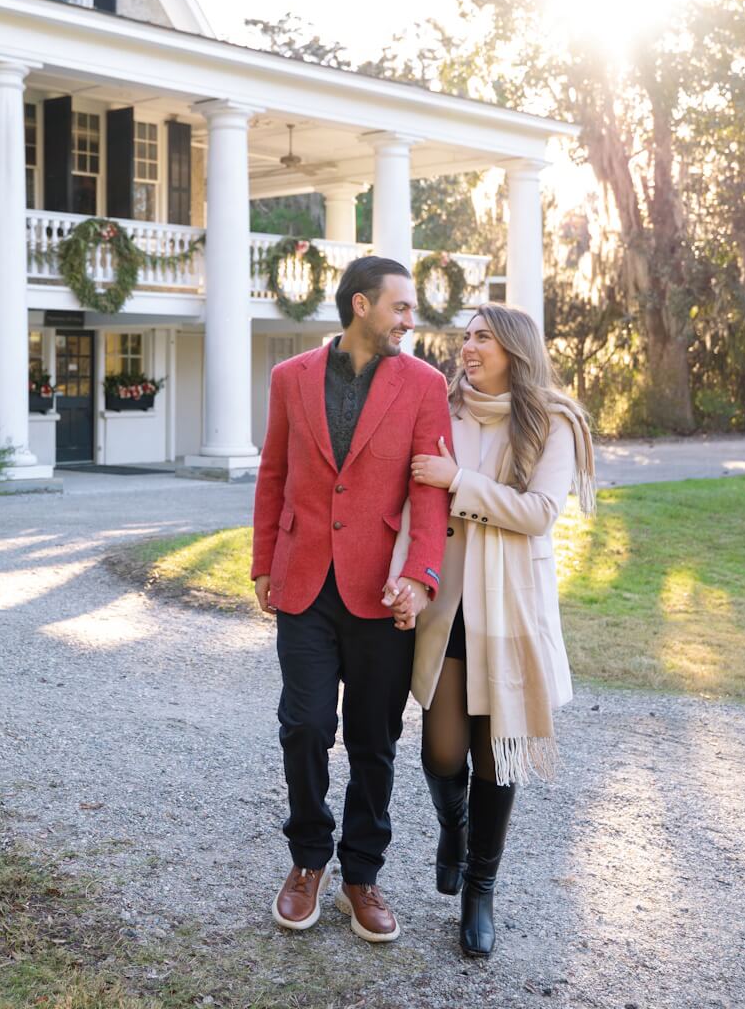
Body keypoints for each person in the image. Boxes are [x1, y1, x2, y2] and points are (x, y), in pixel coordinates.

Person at [251, 255, 452, 944]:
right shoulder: (290, 379)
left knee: (374, 741)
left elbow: (430, 490)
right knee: (304, 726)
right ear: (362, 305)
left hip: (381, 593)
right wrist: (261, 564)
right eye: (400, 306)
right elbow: (273, 472)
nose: (409, 318)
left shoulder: (425, 385)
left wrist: (422, 576)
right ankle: (307, 861)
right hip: (304, 584)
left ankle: (360, 877)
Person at [388, 303, 595, 957]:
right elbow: (407, 499)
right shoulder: (440, 407)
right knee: (441, 753)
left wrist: (461, 481)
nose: (468, 346)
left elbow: (539, 512)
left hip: (509, 607)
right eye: (467, 336)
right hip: (447, 602)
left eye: (482, 338)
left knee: (496, 757)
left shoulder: (552, 420)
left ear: (513, 349)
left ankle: (481, 889)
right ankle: (453, 828)